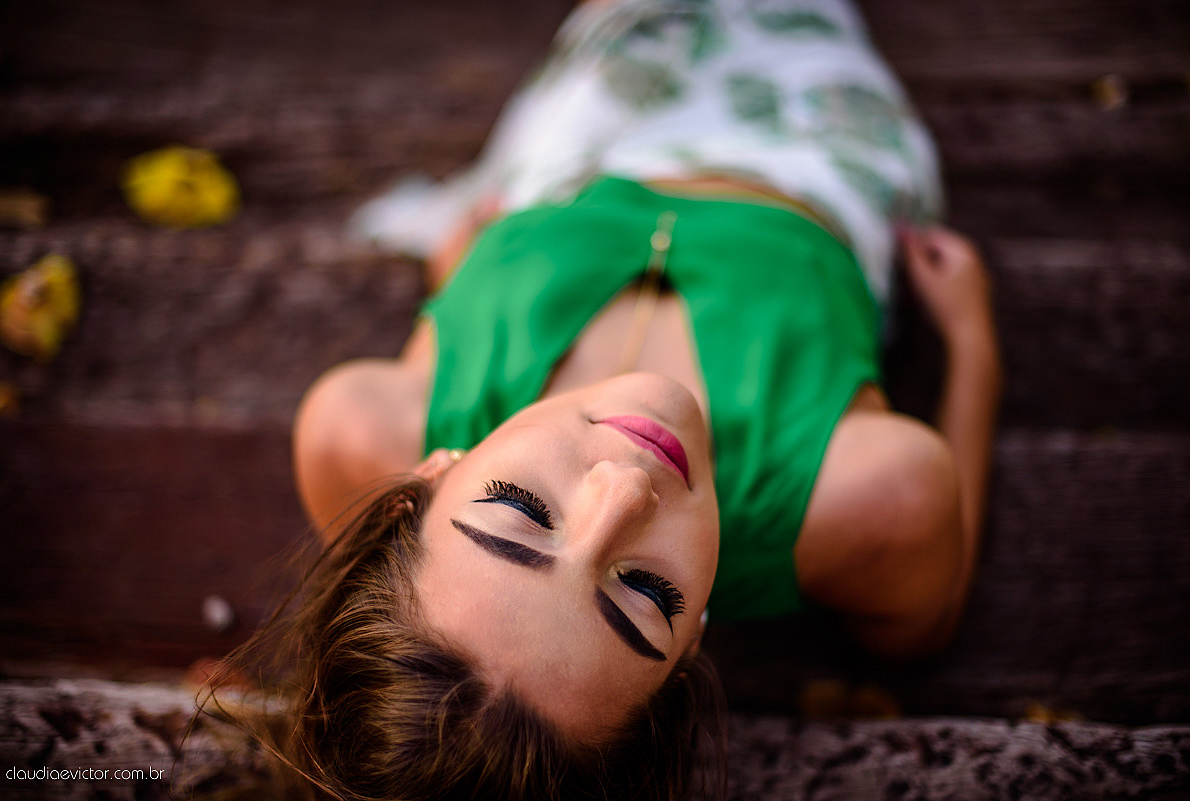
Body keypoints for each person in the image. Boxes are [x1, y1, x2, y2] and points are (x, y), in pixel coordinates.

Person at [229, 1, 1002, 799]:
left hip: (577, 141)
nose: (626, 489)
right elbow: (927, 622)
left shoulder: (361, 426)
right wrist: (975, 346)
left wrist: (459, 283)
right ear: (682, 665)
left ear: (422, 483)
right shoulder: (870, 494)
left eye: (521, 512)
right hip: (811, 144)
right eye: (646, 596)